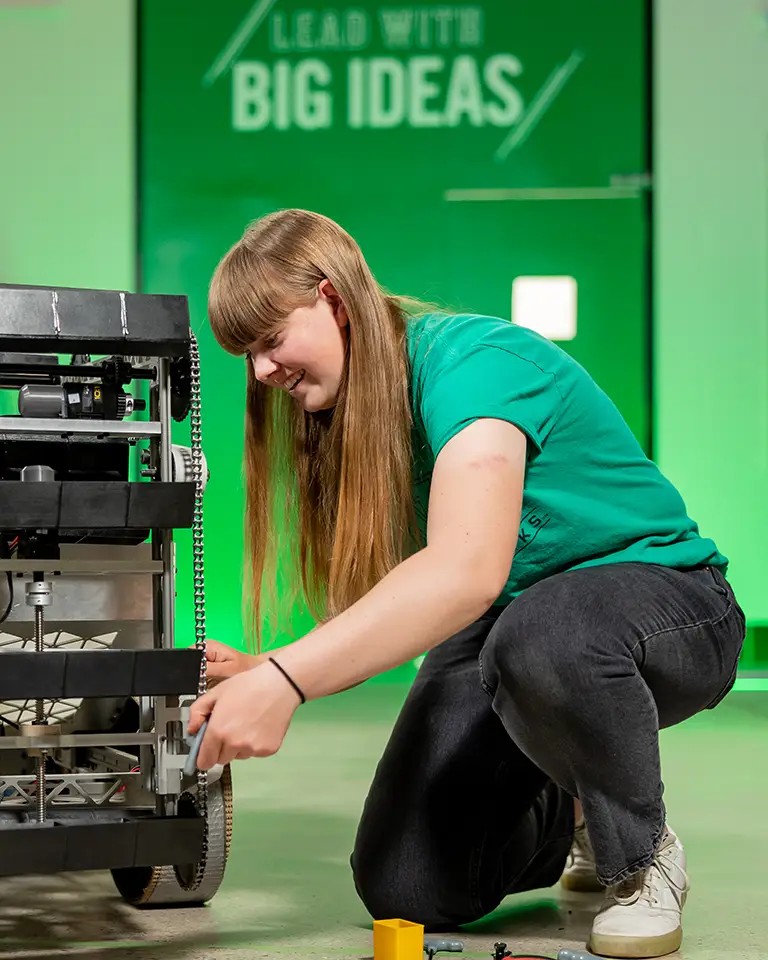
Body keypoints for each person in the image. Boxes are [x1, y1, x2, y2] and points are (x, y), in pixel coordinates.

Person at [188, 209, 745, 960]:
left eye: (270, 340)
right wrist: (274, 663)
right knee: (406, 887)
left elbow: (465, 573)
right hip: (516, 633)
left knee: (546, 633)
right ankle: (574, 799)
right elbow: (406, 598)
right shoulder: (361, 413)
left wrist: (288, 683)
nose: (260, 372)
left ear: (334, 300)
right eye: (245, 354)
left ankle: (639, 858)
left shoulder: (473, 363)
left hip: (670, 608)